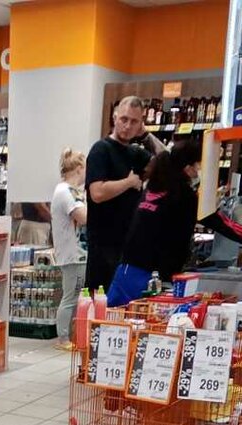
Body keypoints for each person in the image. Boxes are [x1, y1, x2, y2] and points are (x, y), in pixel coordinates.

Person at [107, 140, 242, 306]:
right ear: (189, 167)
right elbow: (217, 221)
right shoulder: (183, 195)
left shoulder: (155, 186)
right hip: (153, 278)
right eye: (200, 164)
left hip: (127, 270)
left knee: (114, 317)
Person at [85, 96, 165, 293]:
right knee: (101, 304)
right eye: (124, 119)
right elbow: (97, 193)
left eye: (134, 121)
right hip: (103, 247)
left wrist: (146, 135)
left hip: (129, 246)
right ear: (115, 118)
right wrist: (128, 182)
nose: (128, 126)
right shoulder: (101, 150)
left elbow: (167, 161)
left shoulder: (135, 153)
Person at [51, 148, 87, 347]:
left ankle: (69, 335)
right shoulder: (67, 192)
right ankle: (63, 337)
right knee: (71, 296)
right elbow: (83, 217)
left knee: (73, 295)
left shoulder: (65, 190)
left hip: (74, 253)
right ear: (79, 168)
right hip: (74, 254)